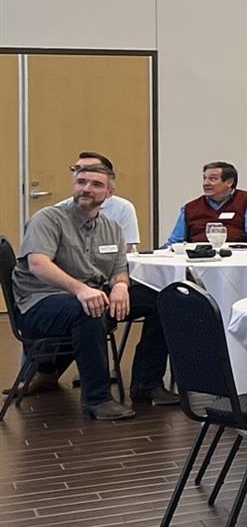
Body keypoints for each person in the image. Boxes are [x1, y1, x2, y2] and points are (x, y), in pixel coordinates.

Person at [7, 164, 149, 419]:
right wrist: (81, 290)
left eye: (96, 184)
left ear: (109, 193)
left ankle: (147, 384)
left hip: (91, 296)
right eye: (81, 182)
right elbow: (38, 264)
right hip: (40, 301)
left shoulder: (112, 228)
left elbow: (119, 269)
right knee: (88, 311)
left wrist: (120, 286)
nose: (86, 189)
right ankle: (98, 399)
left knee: (160, 300)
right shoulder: (48, 218)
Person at [163, 161, 247, 244]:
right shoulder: (190, 207)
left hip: (236, 256)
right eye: (204, 178)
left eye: (212, 179)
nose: (206, 183)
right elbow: (175, 242)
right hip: (197, 257)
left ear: (229, 182)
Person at [60, 152, 141, 251]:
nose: (82, 172)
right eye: (77, 169)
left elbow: (127, 246)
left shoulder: (123, 207)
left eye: (91, 168)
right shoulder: (58, 211)